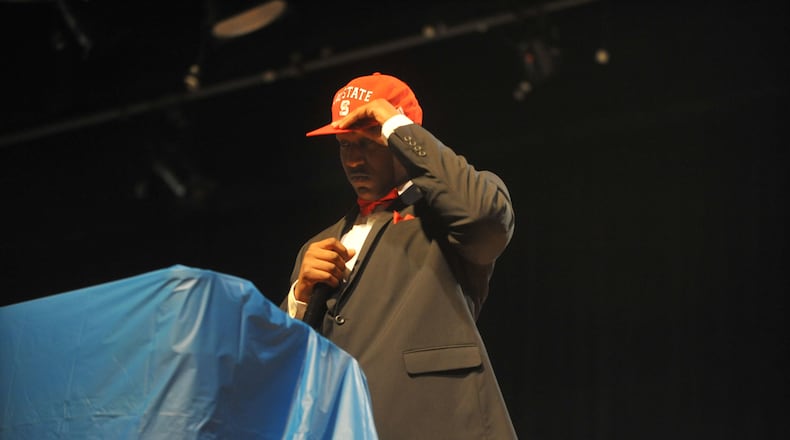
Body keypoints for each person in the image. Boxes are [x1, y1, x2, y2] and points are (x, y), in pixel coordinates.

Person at [282, 72, 517, 439]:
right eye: (345, 145)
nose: (354, 160)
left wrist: (395, 125)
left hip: (437, 422)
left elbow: (485, 221)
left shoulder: (447, 214)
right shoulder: (317, 247)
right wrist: (299, 299)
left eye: (368, 143)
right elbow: (283, 371)